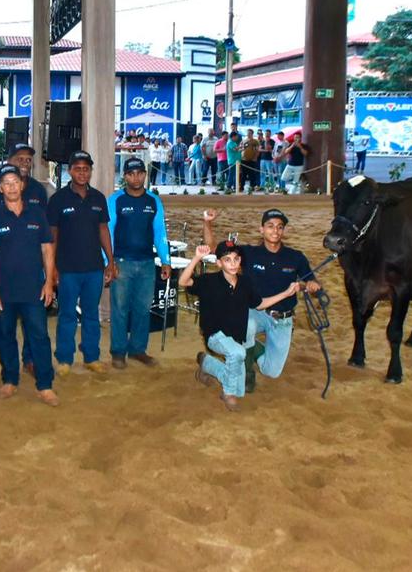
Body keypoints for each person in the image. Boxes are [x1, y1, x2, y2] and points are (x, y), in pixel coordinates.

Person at [203, 208, 321, 393]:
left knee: (271, 371)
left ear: (284, 231)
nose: (275, 230)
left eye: (280, 227)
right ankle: (247, 372)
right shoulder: (249, 253)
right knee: (246, 326)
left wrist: (309, 286)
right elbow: (212, 248)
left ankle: (252, 349)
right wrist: (207, 222)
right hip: (255, 312)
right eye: (270, 226)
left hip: (283, 319)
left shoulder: (296, 257)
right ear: (261, 229)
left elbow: (311, 281)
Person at [179, 241, 300, 411]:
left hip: (237, 337)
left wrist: (286, 294)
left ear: (240, 260)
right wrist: (197, 258)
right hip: (216, 335)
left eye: (236, 259)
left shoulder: (245, 282)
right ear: (219, 263)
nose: (233, 263)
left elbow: (259, 304)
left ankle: (206, 363)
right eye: (227, 260)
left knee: (240, 387)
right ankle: (228, 395)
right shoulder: (209, 281)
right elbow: (183, 281)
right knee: (237, 354)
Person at [0, 165, 58, 406]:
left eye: (16, 181)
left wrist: (48, 283)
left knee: (39, 336)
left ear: (22, 185)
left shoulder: (37, 214)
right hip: (4, 292)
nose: (12, 186)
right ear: (0, 188)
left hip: (33, 290)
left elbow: (47, 249)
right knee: (6, 336)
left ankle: (45, 385)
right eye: (7, 183)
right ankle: (10, 380)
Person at [0, 143, 47, 381]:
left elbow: (45, 237)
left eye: (29, 159)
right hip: (1, 267)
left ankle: (30, 360)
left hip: (31, 269)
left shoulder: (38, 190)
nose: (25, 163)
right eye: (20, 159)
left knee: (32, 323)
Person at [47, 150, 114, 375]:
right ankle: (65, 359)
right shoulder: (58, 199)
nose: (82, 173)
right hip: (67, 269)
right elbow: (52, 235)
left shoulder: (98, 198)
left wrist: (110, 261)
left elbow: (103, 230)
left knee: (91, 314)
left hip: (94, 268)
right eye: (78, 168)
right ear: (69, 171)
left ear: (90, 171)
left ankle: (91, 357)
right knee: (66, 314)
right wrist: (52, 268)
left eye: (86, 169)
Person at [107, 157, 170, 369]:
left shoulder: (154, 201)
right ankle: (118, 351)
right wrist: (109, 262)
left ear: (145, 174)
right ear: (124, 176)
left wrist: (166, 260)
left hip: (146, 264)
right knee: (120, 308)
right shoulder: (116, 200)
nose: (136, 177)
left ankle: (137, 350)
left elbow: (160, 232)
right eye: (131, 173)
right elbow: (108, 232)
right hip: (122, 262)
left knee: (143, 309)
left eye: (140, 173)